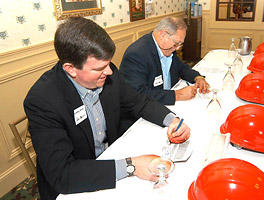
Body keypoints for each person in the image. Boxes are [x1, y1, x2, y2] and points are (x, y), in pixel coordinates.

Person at [24, 17, 191, 200]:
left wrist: (172, 120)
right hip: (77, 182)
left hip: (110, 156)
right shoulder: (42, 101)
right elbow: (63, 174)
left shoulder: (106, 72)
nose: (110, 71)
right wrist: (131, 166)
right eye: (100, 68)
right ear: (71, 69)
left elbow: (139, 101)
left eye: (108, 64)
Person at [119, 16, 210, 132]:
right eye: (177, 43)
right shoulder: (137, 54)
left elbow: (181, 68)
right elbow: (137, 96)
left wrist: (198, 77)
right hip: (140, 119)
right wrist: (177, 95)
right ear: (163, 35)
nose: (177, 48)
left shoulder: (168, 47)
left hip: (166, 107)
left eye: (180, 44)